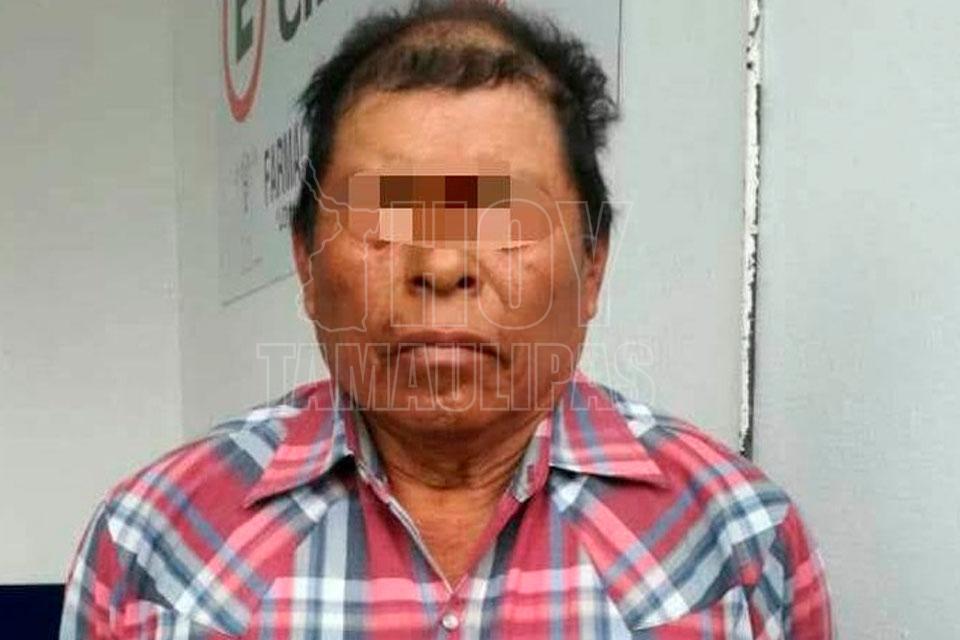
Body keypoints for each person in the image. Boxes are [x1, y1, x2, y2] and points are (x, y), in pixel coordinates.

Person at [59, 1, 833, 637]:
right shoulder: (152, 546)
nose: (440, 265)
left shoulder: (740, 545)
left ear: (592, 265)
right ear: (306, 264)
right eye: (384, 217)